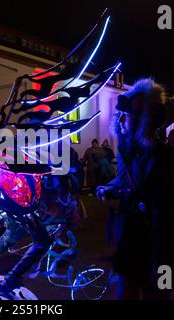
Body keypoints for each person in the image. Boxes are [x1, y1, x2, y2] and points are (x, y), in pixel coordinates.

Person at [96, 78, 174, 299]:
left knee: (160, 293)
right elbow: (124, 182)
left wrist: (163, 262)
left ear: (143, 120)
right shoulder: (127, 152)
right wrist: (109, 189)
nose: (120, 119)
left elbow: (164, 209)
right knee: (126, 291)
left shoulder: (165, 158)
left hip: (161, 248)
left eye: (127, 115)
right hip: (131, 241)